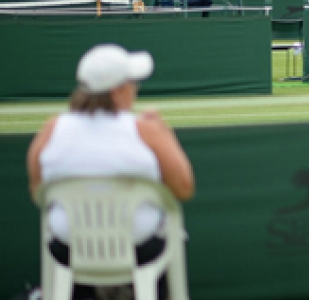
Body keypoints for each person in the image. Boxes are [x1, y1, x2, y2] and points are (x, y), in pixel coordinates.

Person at [26, 44, 195, 293]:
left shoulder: (51, 129)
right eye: (131, 83)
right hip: (141, 248)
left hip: (66, 248)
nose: (135, 89)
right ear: (117, 91)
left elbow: (38, 193)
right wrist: (165, 134)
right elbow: (184, 188)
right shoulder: (148, 130)